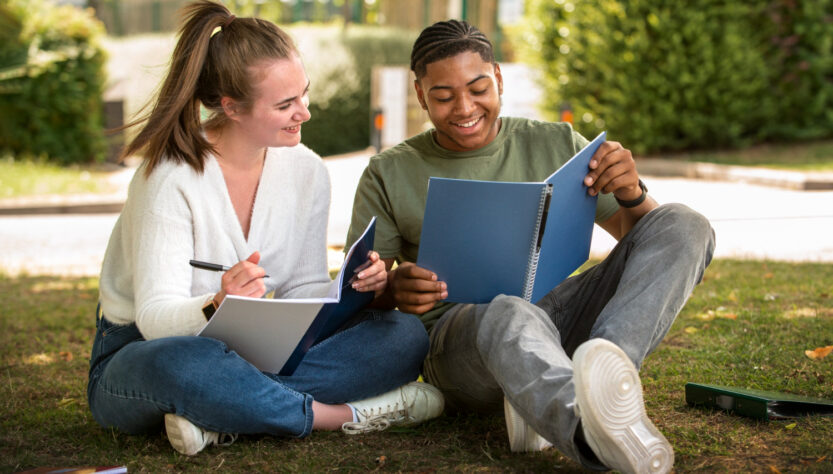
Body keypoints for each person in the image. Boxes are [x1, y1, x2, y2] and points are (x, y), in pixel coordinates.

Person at [346, 19, 715, 474]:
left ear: (498, 78)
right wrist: (392, 290)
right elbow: (358, 294)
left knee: (684, 223)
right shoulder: (388, 172)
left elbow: (640, 236)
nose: (464, 108)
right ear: (421, 94)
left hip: (560, 318)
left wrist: (632, 194)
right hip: (463, 344)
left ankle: (607, 375)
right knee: (508, 310)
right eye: (443, 97)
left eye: (478, 88)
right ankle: (587, 428)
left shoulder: (557, 142)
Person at [86, 0, 443, 457]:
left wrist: (355, 290)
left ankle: (219, 418)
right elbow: (155, 321)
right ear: (231, 107)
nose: (305, 113)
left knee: (403, 337)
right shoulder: (169, 177)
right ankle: (343, 416)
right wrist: (216, 303)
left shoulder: (307, 171)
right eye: (285, 104)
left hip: (259, 351)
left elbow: (301, 287)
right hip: (144, 354)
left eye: (304, 93)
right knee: (187, 364)